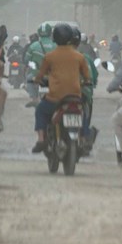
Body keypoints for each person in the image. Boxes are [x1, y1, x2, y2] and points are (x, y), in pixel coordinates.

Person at [31, 23, 91, 153]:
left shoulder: (49, 56)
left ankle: (41, 140)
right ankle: (85, 136)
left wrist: (36, 80)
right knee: (83, 113)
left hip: (55, 99)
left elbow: (41, 75)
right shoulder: (79, 56)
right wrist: (86, 82)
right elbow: (87, 77)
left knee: (40, 110)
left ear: (54, 38)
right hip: (75, 97)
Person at [24, 23, 56, 108]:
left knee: (29, 78)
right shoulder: (56, 45)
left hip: (37, 76)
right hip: (53, 76)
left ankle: (34, 98)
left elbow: (26, 60)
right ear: (50, 33)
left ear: (39, 33)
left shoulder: (33, 46)